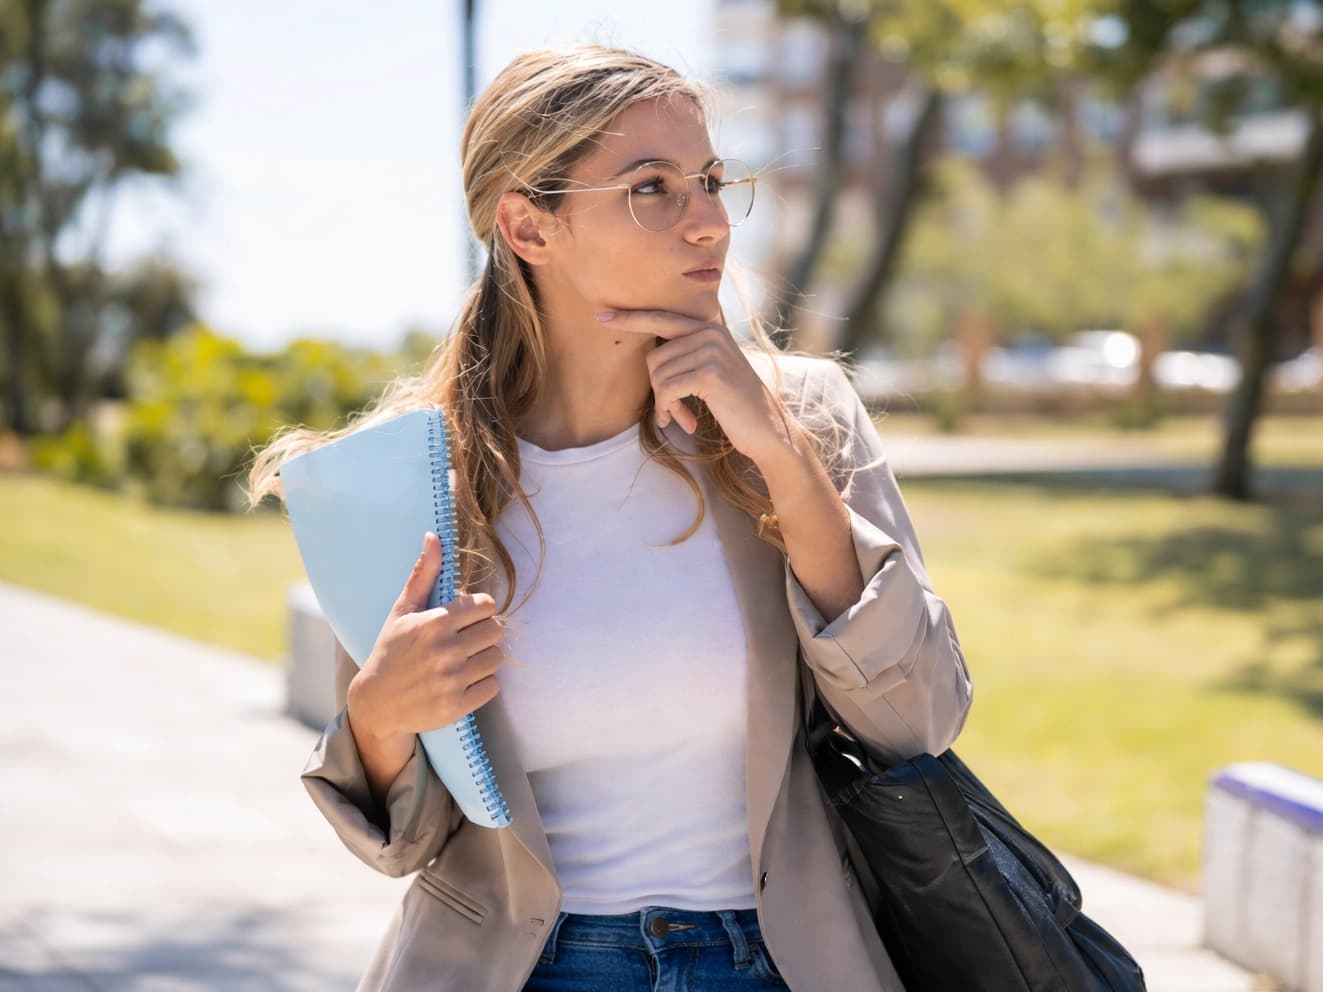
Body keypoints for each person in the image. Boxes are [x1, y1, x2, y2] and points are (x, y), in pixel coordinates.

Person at [247, 42, 973, 992]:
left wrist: (785, 467)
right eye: (652, 187)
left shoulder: (807, 419)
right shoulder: (418, 480)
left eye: (710, 180)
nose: (710, 221)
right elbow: (403, 842)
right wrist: (378, 718)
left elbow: (920, 718)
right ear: (528, 225)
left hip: (783, 965)